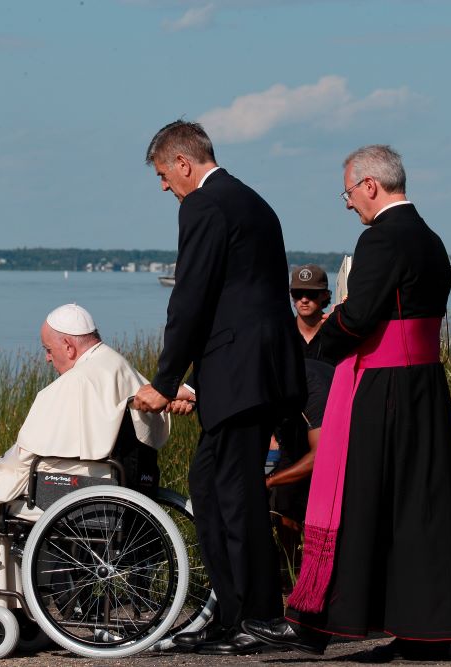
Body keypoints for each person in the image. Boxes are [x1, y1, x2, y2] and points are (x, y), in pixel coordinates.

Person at [245, 145, 451, 661]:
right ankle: (427, 629)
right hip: (427, 383)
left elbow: (358, 316)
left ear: (371, 185)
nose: (349, 203)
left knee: (361, 500)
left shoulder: (380, 238)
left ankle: (321, 624)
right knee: (422, 505)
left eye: (349, 192)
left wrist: (319, 347)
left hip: (385, 386)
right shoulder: (431, 239)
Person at [131, 120, 306, 656]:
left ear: (183, 162)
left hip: (242, 377)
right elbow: (244, 298)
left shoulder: (203, 206)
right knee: (209, 490)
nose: (164, 187)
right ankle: (232, 613)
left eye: (164, 175)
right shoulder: (253, 201)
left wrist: (164, 382)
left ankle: (261, 617)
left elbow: (191, 300)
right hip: (254, 372)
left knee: (235, 498)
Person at [0, 303, 169, 640]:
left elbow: (27, 460)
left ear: (68, 346)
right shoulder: (117, 364)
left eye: (48, 349)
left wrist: (0, 465)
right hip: (105, 482)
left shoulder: (76, 382)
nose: (46, 358)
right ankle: (10, 608)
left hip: (68, 486)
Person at [266, 358, 333, 584]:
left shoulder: (313, 386)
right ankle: (293, 572)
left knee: (325, 504)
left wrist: (269, 481)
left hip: (338, 440)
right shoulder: (264, 381)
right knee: (283, 502)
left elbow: (320, 457)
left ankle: (323, 573)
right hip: (293, 431)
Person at [289, 264, 334, 363]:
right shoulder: (284, 334)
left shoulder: (335, 335)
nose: (304, 300)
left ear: (325, 295)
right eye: (297, 294)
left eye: (311, 294)